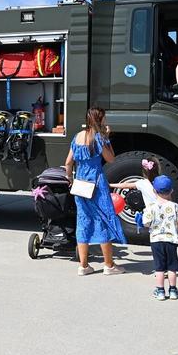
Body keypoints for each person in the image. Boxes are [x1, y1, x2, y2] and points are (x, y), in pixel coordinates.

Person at [64, 107, 127, 276]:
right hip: (97, 184)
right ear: (100, 120)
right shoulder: (99, 138)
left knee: (83, 221)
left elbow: (68, 163)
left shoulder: (77, 136)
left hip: (80, 184)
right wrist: (107, 138)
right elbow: (111, 158)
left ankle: (83, 266)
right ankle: (109, 265)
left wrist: (70, 179)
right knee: (103, 220)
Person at [142, 175, 178, 300]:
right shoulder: (175, 206)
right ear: (171, 190)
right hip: (171, 240)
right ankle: (173, 290)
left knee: (159, 267)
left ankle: (160, 291)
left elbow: (146, 223)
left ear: (154, 191)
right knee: (172, 267)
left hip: (156, 240)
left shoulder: (150, 207)